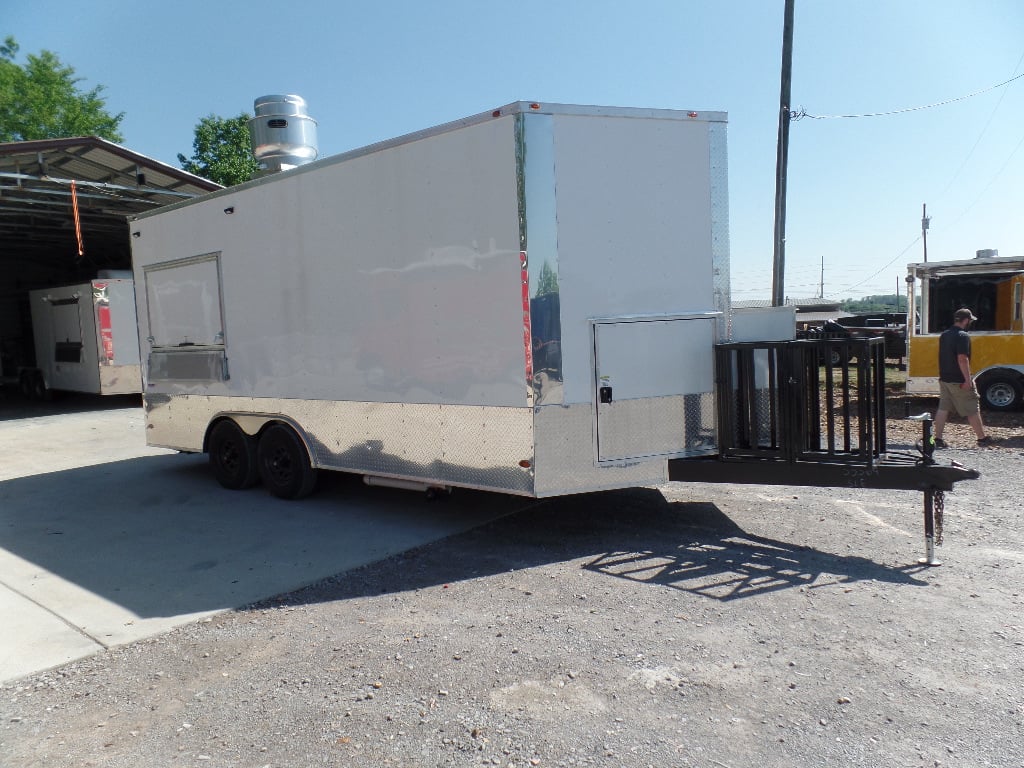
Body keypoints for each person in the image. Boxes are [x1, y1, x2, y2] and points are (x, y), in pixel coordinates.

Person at [933, 307, 993, 448]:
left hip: (945, 378)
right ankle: (982, 439)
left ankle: (938, 439)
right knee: (972, 408)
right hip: (958, 380)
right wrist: (968, 379)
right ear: (966, 320)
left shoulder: (945, 334)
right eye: (970, 320)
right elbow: (962, 359)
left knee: (943, 408)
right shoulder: (962, 336)